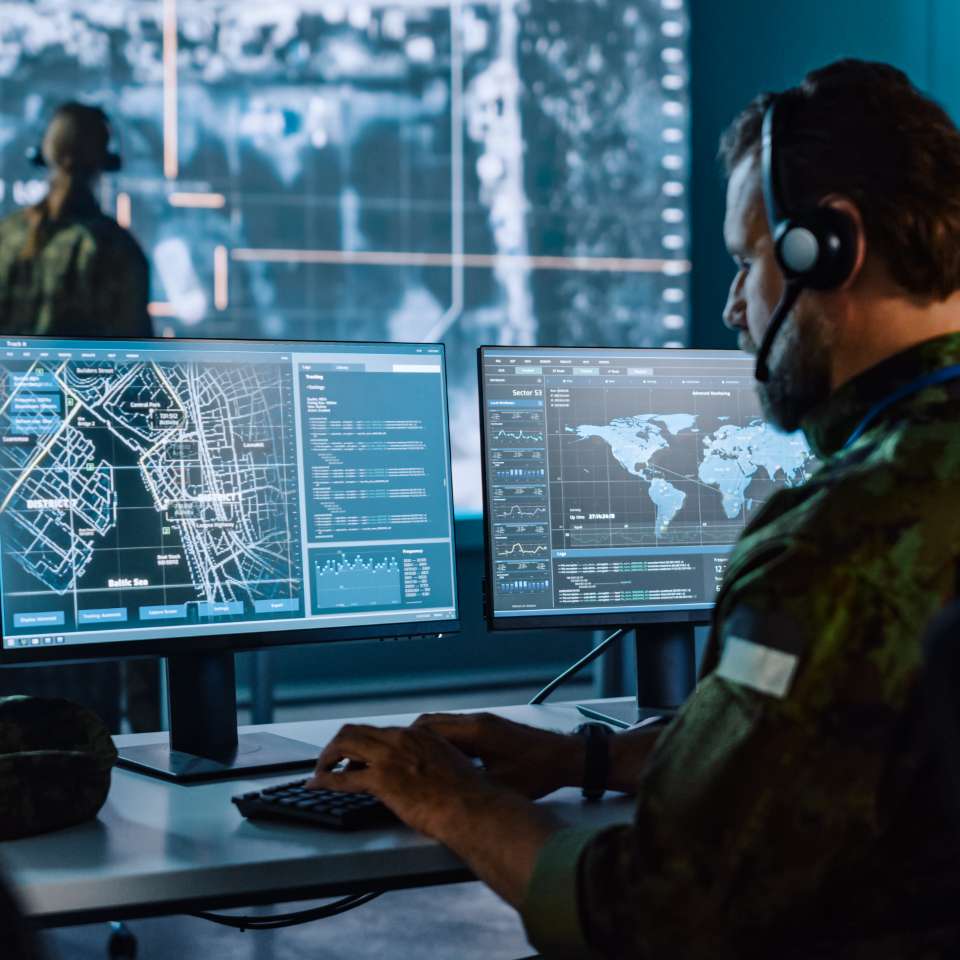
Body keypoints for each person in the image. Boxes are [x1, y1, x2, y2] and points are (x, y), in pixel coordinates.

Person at [308, 59, 960, 959]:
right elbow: (848, 740)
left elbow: (654, 917)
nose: (735, 305)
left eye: (747, 260)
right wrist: (586, 760)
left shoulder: (839, 545)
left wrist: (448, 796)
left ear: (831, 245)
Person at [0, 102, 158, 732]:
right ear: (103, 164)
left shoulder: (7, 238)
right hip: (79, 471)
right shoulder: (114, 249)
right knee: (99, 642)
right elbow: (132, 372)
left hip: (11, 469)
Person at [0, 101, 152, 337]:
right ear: (103, 161)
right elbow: (136, 355)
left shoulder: (6, 236)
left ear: (45, 155)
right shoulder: (119, 250)